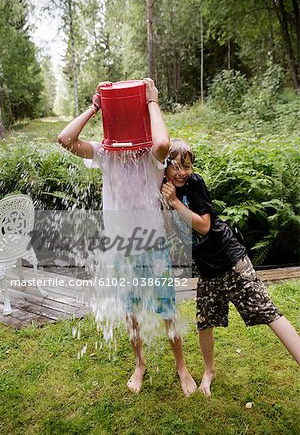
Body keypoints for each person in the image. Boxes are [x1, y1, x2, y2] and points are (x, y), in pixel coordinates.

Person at [57, 79, 197, 396]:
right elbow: (65, 139)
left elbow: (163, 143)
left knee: (167, 309)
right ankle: (140, 364)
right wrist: (95, 106)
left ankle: (181, 366)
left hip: (153, 245)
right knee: (130, 312)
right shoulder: (105, 153)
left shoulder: (150, 154)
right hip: (120, 248)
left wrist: (152, 100)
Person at [161, 138, 300, 396]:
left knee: (269, 313)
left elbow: (203, 225)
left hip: (232, 261)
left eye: (187, 166)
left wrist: (176, 203)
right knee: (205, 322)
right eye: (176, 166)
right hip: (207, 269)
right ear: (165, 166)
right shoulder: (164, 188)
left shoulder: (195, 184)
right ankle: (209, 370)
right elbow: (172, 228)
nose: (182, 172)